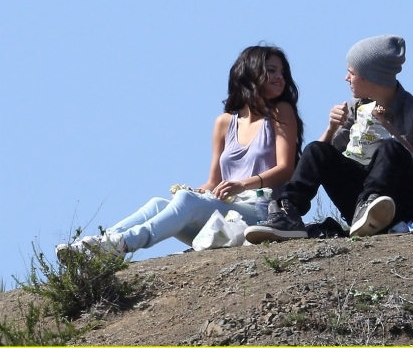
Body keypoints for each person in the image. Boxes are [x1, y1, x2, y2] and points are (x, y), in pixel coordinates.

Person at [55, 44, 304, 260]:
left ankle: (122, 244)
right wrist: (196, 192)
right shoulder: (224, 123)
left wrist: (240, 185)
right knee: (158, 203)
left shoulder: (281, 112)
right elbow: (214, 182)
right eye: (271, 70)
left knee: (186, 202)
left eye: (282, 72)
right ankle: (94, 249)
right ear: (250, 73)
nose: (280, 77)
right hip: (223, 217)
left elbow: (286, 169)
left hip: (260, 216)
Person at [244, 35, 413, 244]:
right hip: (359, 207)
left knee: (391, 149)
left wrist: (393, 134)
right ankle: (287, 213)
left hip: (407, 208)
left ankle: (373, 207)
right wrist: (332, 127)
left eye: (351, 72)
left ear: (371, 77)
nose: (346, 78)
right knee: (317, 149)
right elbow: (322, 159)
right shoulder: (356, 107)